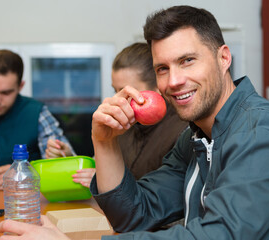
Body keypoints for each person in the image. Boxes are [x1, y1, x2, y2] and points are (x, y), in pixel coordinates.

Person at [0, 5, 269, 240]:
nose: (174, 81)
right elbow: (137, 215)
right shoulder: (196, 138)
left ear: (224, 57)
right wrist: (104, 142)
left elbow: (220, 236)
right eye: (162, 68)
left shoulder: (264, 135)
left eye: (187, 60)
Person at [0, 49, 74, 190]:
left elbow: (70, 170)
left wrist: (23, 174)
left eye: (6, 92)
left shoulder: (37, 112)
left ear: (20, 86)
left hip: (23, 204)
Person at [72, 42, 188, 187]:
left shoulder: (183, 133)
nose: (119, 98)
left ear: (157, 87)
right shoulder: (120, 128)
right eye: (116, 91)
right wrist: (70, 158)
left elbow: (165, 197)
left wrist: (104, 181)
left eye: (128, 91)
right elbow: (95, 167)